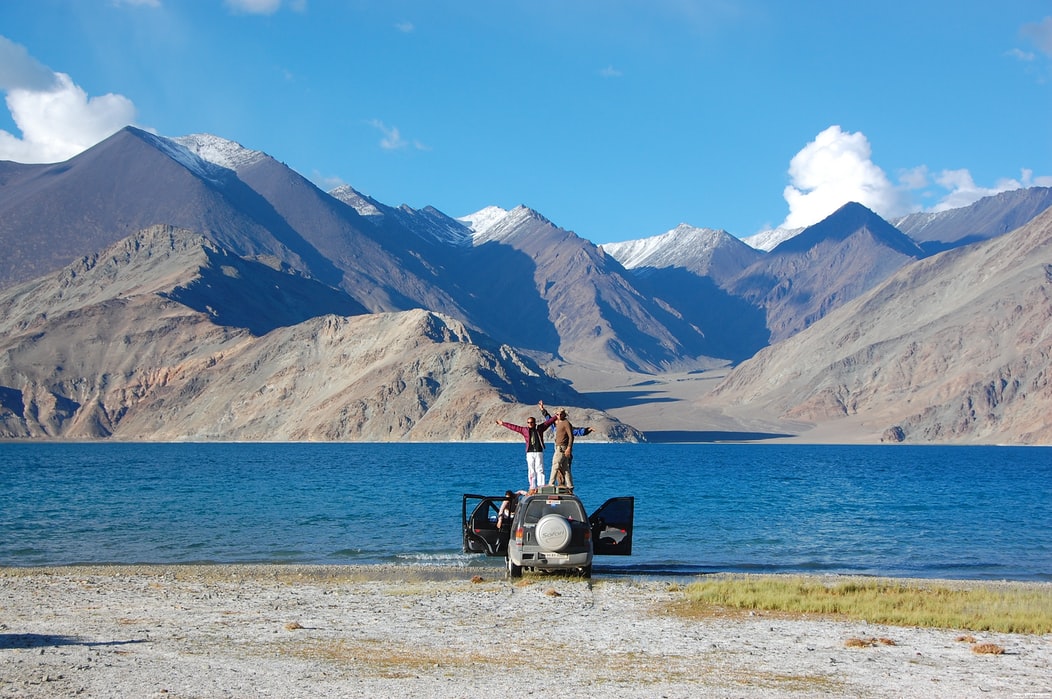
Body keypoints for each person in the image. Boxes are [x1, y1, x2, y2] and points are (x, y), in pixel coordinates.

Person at [496, 409, 557, 490]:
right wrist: (503, 423)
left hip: (539, 452)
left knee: (540, 469)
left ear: (534, 422)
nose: (530, 424)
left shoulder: (540, 428)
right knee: (531, 470)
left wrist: (557, 416)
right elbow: (514, 427)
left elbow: (549, 422)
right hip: (529, 453)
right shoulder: (524, 430)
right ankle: (532, 486)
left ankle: (541, 486)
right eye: (528, 422)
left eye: (531, 422)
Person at [549, 408, 575, 490]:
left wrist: (569, 448)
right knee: (565, 468)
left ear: (564, 414)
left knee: (555, 464)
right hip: (559, 447)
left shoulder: (566, 423)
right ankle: (570, 485)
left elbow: (571, 437)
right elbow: (548, 419)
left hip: (562, 448)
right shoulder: (559, 423)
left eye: (561, 414)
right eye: (557, 414)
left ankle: (551, 483)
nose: (559, 416)